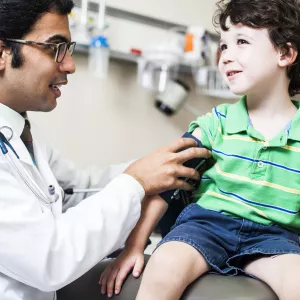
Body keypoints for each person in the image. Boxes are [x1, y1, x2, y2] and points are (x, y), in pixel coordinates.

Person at [0, 1, 212, 300]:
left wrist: (159, 169)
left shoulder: (20, 132)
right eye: (54, 48)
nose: (70, 64)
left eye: (68, 48)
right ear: (2, 52)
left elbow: (79, 188)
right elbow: (48, 259)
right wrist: (136, 182)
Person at [99, 0, 300, 299]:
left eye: (241, 42)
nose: (226, 56)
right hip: (206, 227)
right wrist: (134, 246)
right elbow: (165, 185)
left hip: (275, 238)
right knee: (165, 265)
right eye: (223, 46)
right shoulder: (214, 124)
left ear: (285, 53)